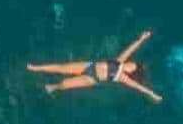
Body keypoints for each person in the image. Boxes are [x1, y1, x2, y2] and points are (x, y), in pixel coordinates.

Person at [27, 30, 162, 102]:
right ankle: (36, 68)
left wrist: (153, 95)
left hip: (91, 79)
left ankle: (53, 87)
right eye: (133, 63)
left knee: (64, 84)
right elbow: (131, 48)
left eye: (134, 64)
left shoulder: (123, 78)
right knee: (61, 67)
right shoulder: (120, 61)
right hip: (89, 66)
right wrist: (142, 38)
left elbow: (139, 88)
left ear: (133, 70)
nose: (132, 62)